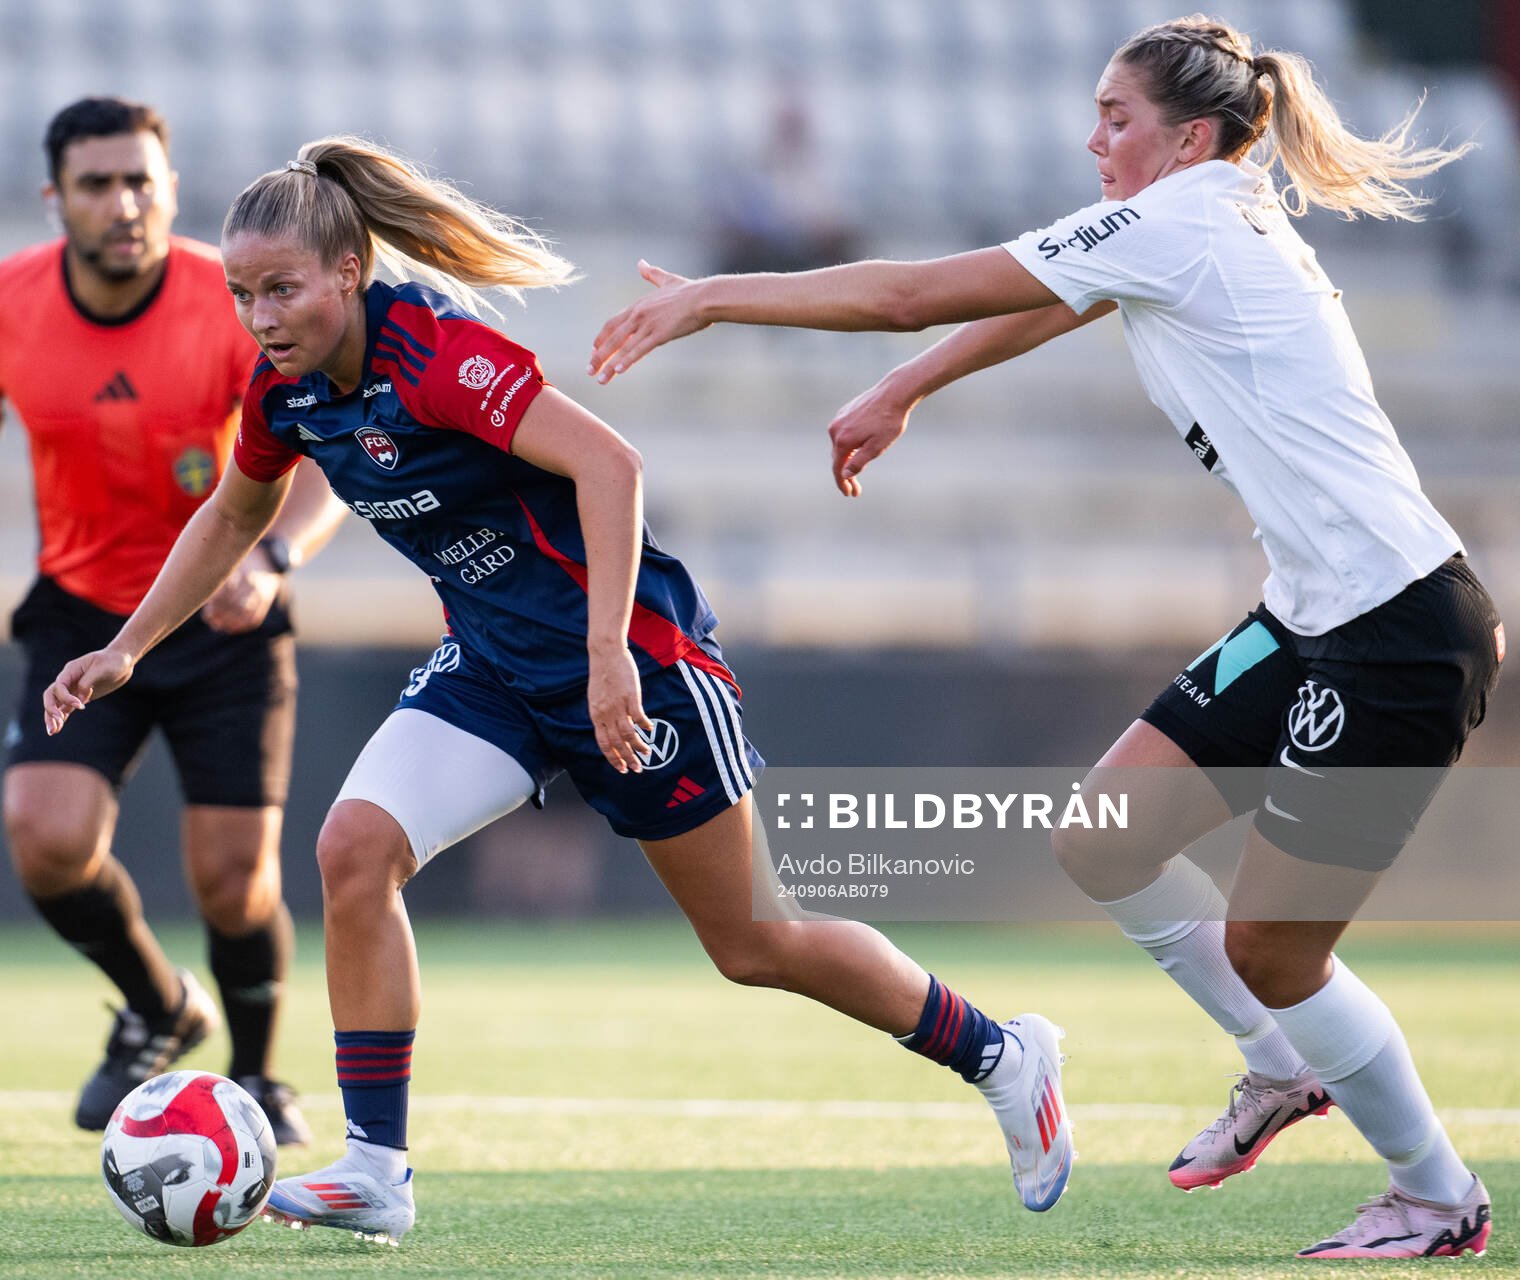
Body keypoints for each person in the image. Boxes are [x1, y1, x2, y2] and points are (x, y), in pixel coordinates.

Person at [43, 135, 1076, 1244]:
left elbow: (611, 465)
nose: (262, 315)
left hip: (632, 661)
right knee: (353, 851)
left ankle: (1000, 1051)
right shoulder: (286, 393)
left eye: (283, 288)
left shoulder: (436, 355)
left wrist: (605, 656)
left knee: (756, 942)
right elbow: (234, 515)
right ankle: (376, 1166)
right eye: (244, 293)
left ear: (348, 271)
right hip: (493, 667)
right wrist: (130, 645)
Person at [591, 15, 1503, 1262]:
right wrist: (911, 386)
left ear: (1187, 137)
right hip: (1313, 609)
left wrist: (713, 298)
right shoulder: (1201, 215)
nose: (1094, 141)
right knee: (1105, 836)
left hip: (1398, 626)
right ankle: (1280, 1064)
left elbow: (910, 290)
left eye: (1115, 119)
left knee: (1277, 946)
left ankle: (1439, 1195)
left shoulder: (1183, 218)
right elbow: (1050, 302)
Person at [0, 96, 344, 1143]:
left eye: (142, 180)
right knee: (46, 839)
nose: (124, 203)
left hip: (224, 619)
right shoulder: (0, 304)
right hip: (78, 612)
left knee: (235, 884)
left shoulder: (235, 296)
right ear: (54, 197)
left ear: (172, 188)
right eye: (98, 183)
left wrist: (278, 559)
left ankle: (255, 1079)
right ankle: (160, 1003)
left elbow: (333, 439)